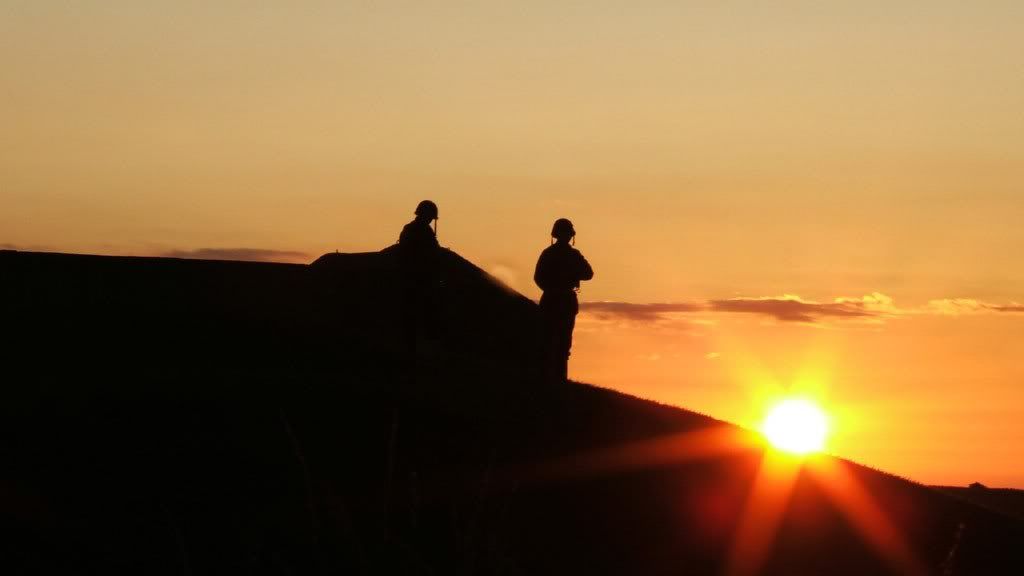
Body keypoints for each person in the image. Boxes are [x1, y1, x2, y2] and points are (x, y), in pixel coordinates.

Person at [534, 218, 593, 384]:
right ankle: (554, 380)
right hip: (560, 301)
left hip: (556, 301)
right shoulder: (571, 255)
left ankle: (554, 380)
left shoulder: (551, 253)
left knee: (557, 342)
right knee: (557, 342)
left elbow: (588, 273)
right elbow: (588, 273)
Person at [398, 200, 441, 352]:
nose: (430, 220)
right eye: (429, 217)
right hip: (417, 278)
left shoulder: (411, 228)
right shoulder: (421, 231)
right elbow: (432, 251)